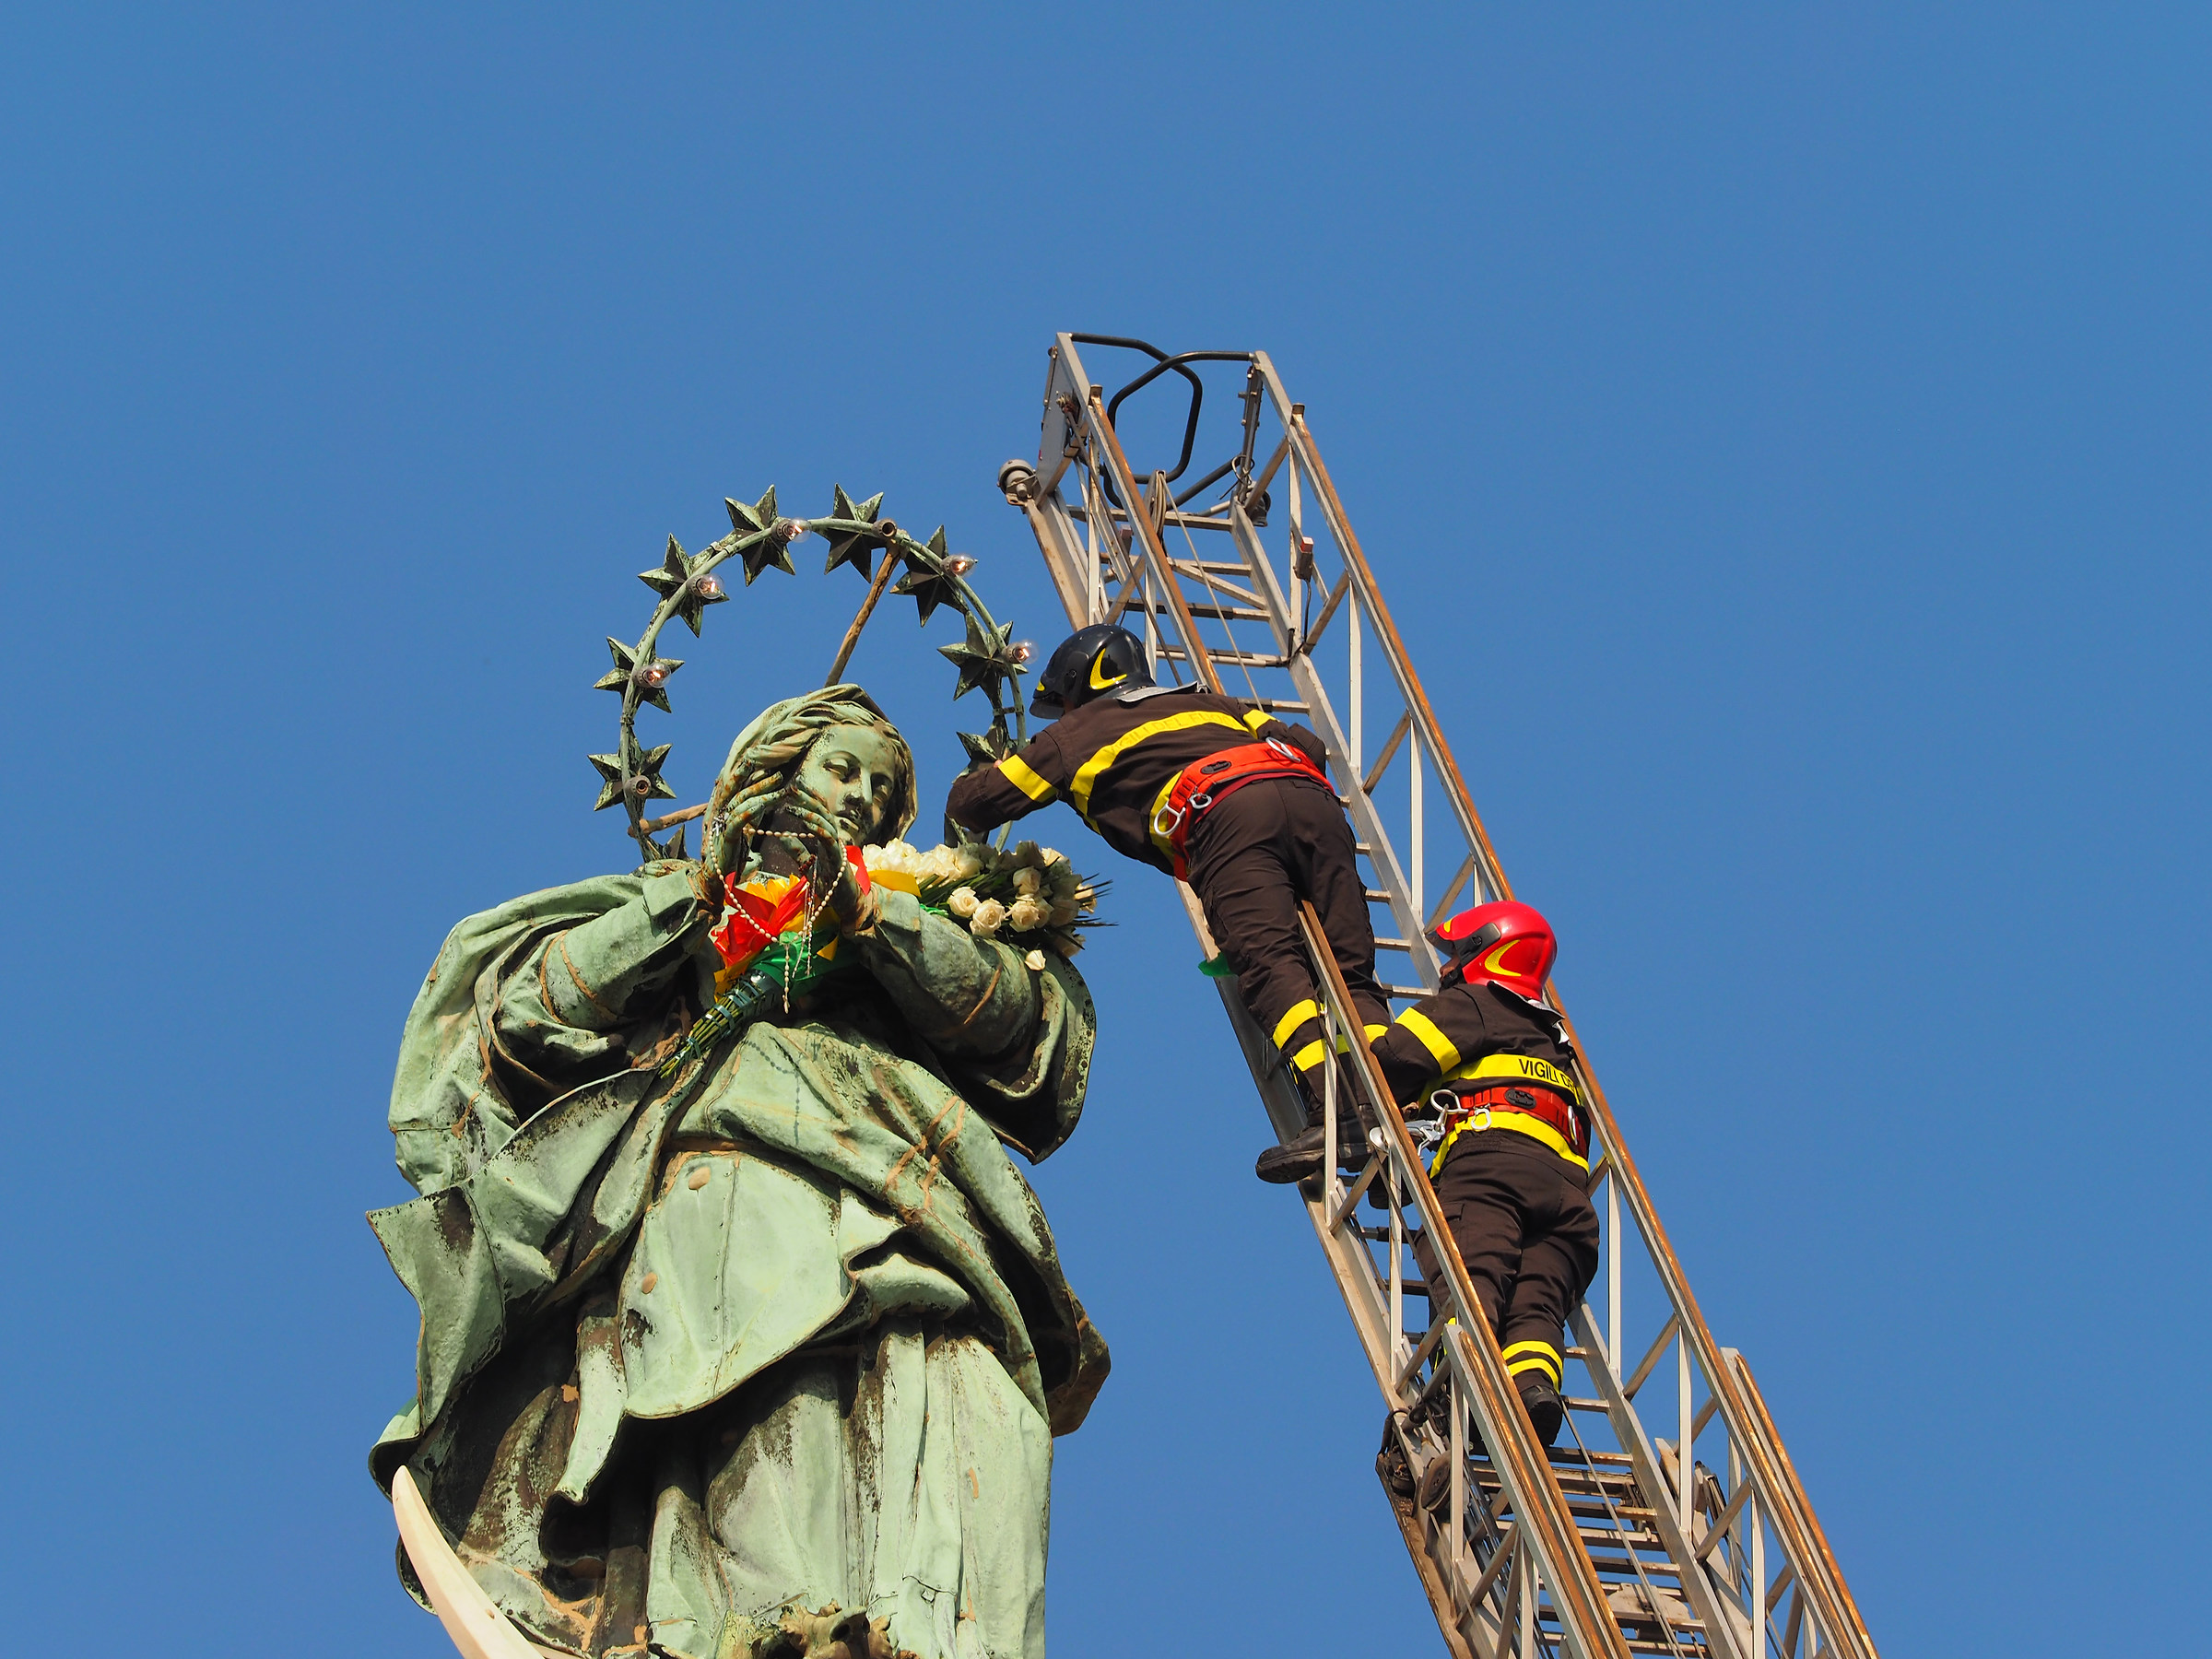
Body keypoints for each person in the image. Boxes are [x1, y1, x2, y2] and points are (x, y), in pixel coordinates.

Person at [371, 687, 1107, 1659]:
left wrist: (880, 923)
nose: (858, 797)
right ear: (773, 774)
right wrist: (693, 901)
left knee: (978, 1418)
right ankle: (780, 1628)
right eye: (839, 769)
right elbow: (523, 1013)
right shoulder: (678, 899)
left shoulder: (914, 911)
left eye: (880, 789)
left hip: (928, 1192)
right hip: (737, 1163)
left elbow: (1027, 1030)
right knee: (773, 1378)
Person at [945, 623, 1388, 1182]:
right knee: (1350, 972)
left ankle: (1339, 1112)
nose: (1060, 717)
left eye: (1061, 705)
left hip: (1226, 817)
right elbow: (1308, 747)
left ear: (1080, 686)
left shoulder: (1076, 733)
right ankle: (1384, 1105)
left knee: (1272, 964)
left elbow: (978, 803)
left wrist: (987, 768)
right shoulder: (1213, 703)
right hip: (1316, 808)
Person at [1374, 900, 1596, 1448]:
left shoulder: (1476, 1004)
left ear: (1483, 955)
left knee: (1471, 1278)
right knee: (1537, 1302)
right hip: (1570, 1199)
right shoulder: (1559, 1046)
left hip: (1491, 1170)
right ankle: (1532, 1389)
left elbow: (1393, 1061)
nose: (1446, 969)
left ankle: (1465, 1390)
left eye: (1454, 955)